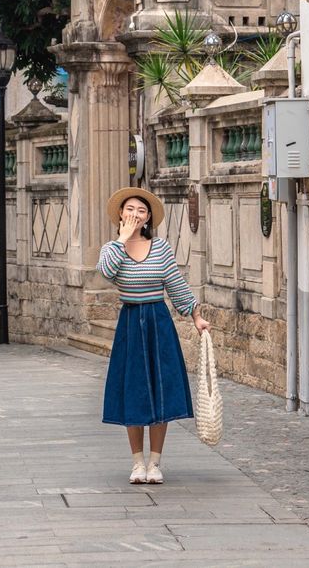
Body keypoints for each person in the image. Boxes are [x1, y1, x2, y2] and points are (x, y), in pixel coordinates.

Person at [97, 187, 210, 485]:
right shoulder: (111, 249)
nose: (136, 214)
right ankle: (137, 463)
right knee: (133, 390)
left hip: (158, 321)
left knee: (161, 390)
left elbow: (174, 282)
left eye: (141, 211)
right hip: (131, 322)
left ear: (148, 218)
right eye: (130, 209)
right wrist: (122, 239)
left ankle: (155, 462)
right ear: (121, 213)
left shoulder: (160, 248)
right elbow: (106, 273)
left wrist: (195, 315)